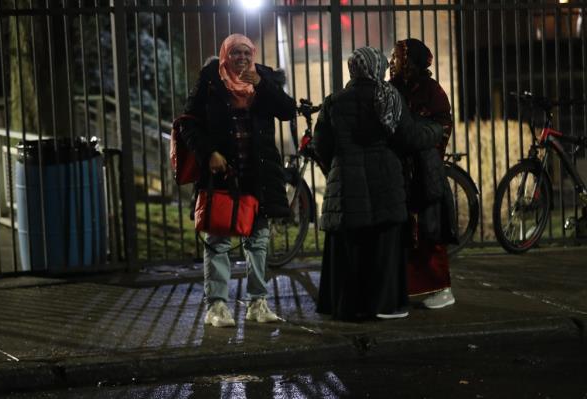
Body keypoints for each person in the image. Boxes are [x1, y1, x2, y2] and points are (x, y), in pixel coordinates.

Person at [313, 46, 444, 322]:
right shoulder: (388, 98)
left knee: (349, 248)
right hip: (385, 182)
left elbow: (321, 146)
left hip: (346, 187)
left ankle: (347, 306)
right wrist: (434, 130)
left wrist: (337, 168)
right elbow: (407, 137)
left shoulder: (334, 102)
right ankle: (385, 305)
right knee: (382, 246)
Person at [176, 34, 296, 327]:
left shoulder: (263, 77)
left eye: (246, 52)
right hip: (222, 174)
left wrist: (261, 83)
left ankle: (258, 303)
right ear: (225, 55)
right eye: (235, 53)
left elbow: (286, 109)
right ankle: (216, 307)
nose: (241, 58)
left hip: (258, 174)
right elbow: (188, 124)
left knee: (258, 239)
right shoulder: (210, 79)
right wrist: (209, 153)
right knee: (217, 239)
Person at [389, 38, 456, 309]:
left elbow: (442, 125)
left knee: (429, 231)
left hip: (423, 173)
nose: (392, 62)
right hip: (399, 172)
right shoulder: (392, 88)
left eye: (397, 57)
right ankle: (406, 287)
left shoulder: (431, 90)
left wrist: (419, 140)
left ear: (410, 61)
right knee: (403, 233)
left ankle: (441, 287)